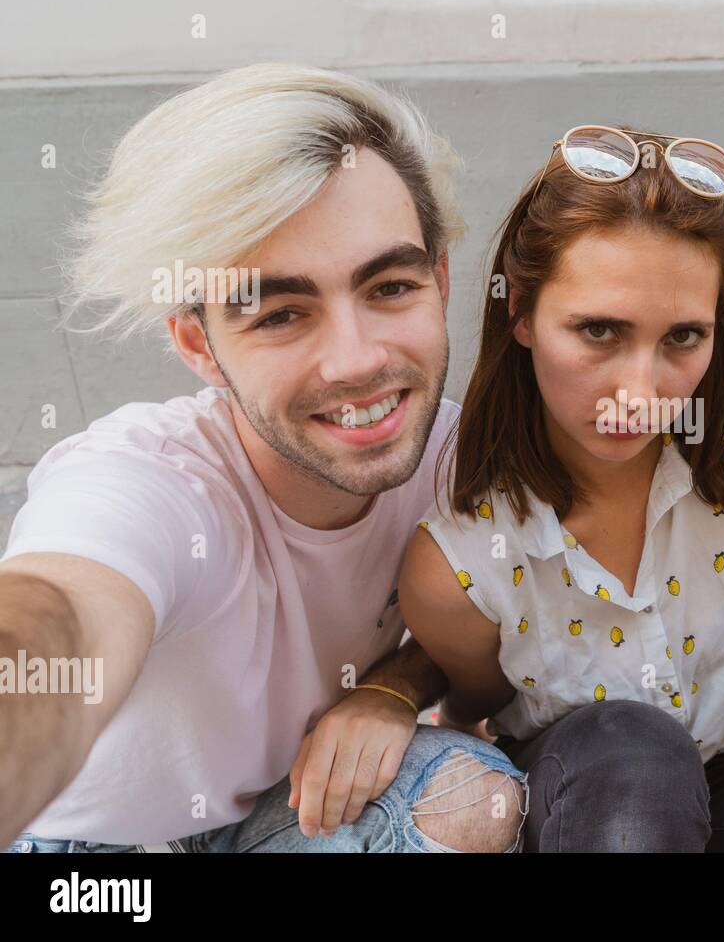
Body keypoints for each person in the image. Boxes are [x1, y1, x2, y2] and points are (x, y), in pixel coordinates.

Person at [1, 63, 526, 854]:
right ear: (197, 345)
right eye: (282, 313)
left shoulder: (460, 459)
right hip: (90, 861)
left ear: (439, 280)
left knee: (470, 799)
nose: (355, 361)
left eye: (388, 288)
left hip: (279, 817)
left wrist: (393, 688)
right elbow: (64, 616)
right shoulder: (148, 479)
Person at [398, 126, 724, 852]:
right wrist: (383, 696)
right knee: (638, 762)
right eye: (598, 331)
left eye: (682, 337)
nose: (641, 390)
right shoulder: (456, 563)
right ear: (520, 310)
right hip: (578, 791)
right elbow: (473, 712)